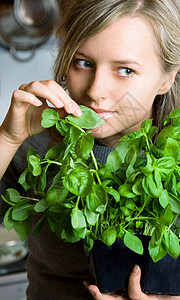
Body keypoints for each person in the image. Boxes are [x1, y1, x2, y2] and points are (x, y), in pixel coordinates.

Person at [0, 0, 180, 299]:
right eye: (83, 62)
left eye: (125, 70)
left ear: (167, 78)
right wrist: (7, 138)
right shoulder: (35, 145)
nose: (96, 90)